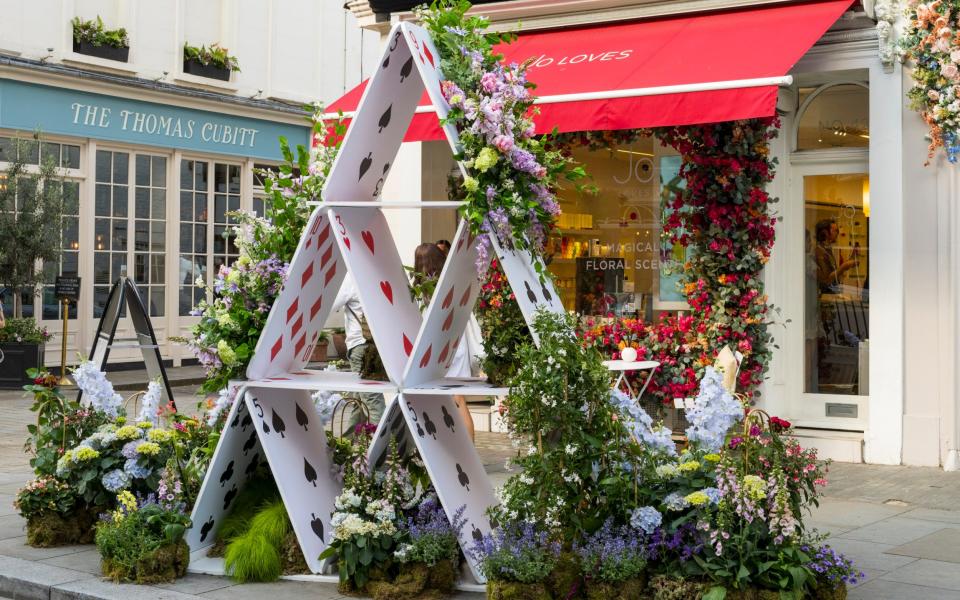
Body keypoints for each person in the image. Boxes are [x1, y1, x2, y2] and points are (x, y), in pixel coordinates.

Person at [412, 242, 475, 442]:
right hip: (456, 344)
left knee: (453, 399)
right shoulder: (449, 283)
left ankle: (463, 450)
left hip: (436, 348)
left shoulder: (419, 289)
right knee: (457, 399)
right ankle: (466, 450)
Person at [331, 273, 384, 432]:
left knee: (371, 399)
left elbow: (331, 305)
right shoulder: (374, 274)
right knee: (358, 397)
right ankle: (349, 439)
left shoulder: (352, 276)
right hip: (377, 344)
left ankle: (383, 446)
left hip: (360, 344)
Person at [814, 218, 858, 294]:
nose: (837, 233)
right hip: (826, 294)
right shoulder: (819, 251)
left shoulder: (827, 249)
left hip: (832, 292)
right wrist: (844, 266)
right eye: (835, 230)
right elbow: (826, 279)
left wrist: (850, 261)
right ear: (825, 232)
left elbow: (834, 272)